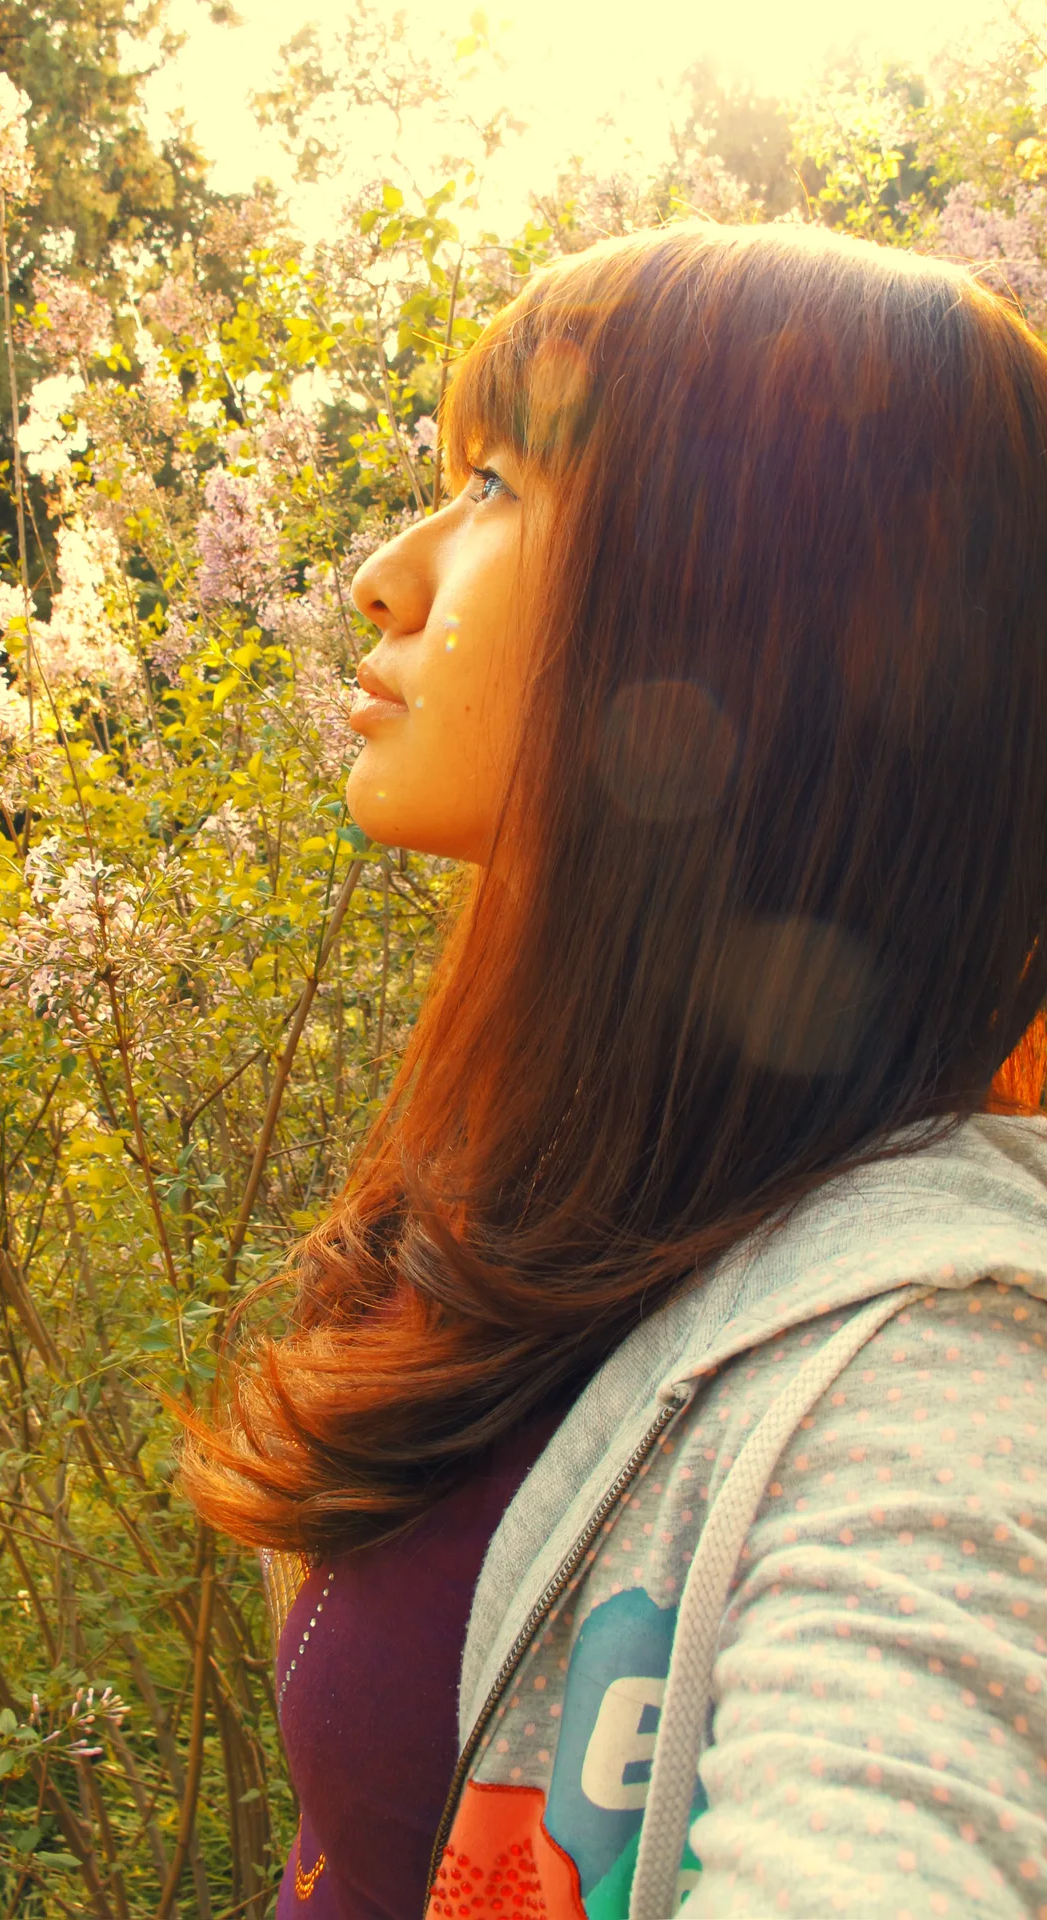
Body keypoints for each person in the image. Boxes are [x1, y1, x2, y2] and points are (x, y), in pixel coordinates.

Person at [178, 222, 1047, 1918]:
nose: (386, 574)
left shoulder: (942, 1361)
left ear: (742, 622)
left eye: (495, 486)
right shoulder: (588, 1191)